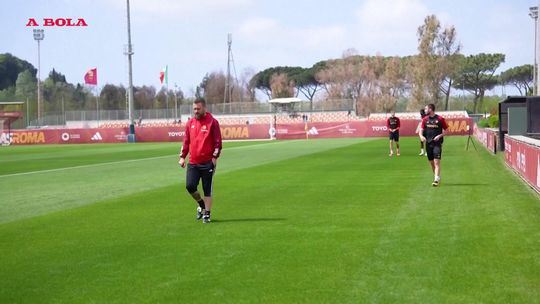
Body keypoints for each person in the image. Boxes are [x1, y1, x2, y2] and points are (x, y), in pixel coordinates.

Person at [179, 98, 222, 223]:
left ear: (204, 108)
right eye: (194, 109)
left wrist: (214, 158)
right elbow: (186, 142)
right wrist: (182, 157)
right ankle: (201, 205)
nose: (196, 111)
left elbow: (218, 143)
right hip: (193, 162)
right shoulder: (190, 123)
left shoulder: (212, 122)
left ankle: (207, 214)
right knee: (190, 186)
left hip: (208, 162)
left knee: (207, 188)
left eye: (198, 109)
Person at [419, 103, 448, 187]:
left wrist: (439, 136)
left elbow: (446, 130)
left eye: (426, 109)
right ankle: (437, 177)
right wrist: (421, 136)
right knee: (432, 163)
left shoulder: (440, 119)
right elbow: (421, 130)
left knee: (436, 162)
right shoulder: (425, 119)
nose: (425, 110)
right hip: (428, 144)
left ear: (430, 109)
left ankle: (436, 179)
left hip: (437, 144)